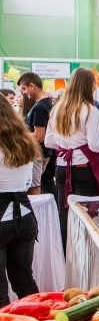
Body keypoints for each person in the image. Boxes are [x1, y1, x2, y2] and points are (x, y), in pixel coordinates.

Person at [44, 68, 99, 252]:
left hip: (63, 167)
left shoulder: (57, 109)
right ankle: (86, 255)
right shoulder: (90, 111)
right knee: (89, 214)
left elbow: (49, 141)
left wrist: (67, 147)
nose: (95, 86)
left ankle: (66, 256)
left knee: (65, 212)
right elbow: (95, 146)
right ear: (88, 86)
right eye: (94, 82)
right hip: (85, 168)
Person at [0, 96, 41, 306]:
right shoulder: (24, 142)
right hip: (25, 218)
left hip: (3, 219)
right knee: (25, 281)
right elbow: (27, 181)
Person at [17, 73, 53, 195]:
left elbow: (39, 136)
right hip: (41, 153)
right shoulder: (44, 103)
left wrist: (18, 135)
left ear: (32, 86)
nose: (24, 93)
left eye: (24, 89)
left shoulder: (40, 107)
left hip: (38, 153)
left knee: (33, 187)